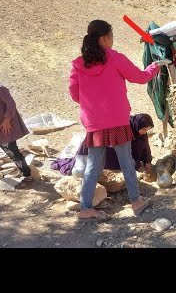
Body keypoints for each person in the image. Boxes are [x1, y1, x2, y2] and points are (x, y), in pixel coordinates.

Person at [69, 19, 160, 221]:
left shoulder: (78, 63)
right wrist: (154, 68)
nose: (112, 40)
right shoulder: (115, 58)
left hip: (94, 122)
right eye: (111, 36)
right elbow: (140, 77)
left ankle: (85, 208)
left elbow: (75, 95)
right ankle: (136, 202)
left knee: (93, 165)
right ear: (104, 38)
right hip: (117, 120)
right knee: (126, 161)